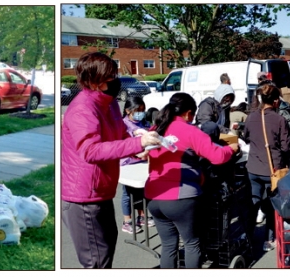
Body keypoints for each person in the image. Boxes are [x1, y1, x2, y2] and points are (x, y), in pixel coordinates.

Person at [61, 52, 162, 268]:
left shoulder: (110, 104)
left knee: (106, 252)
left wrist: (137, 149)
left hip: (102, 192)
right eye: (109, 77)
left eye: (114, 74)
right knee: (97, 261)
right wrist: (138, 144)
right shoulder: (82, 108)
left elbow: (120, 135)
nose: (115, 80)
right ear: (94, 81)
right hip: (84, 197)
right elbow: (90, 151)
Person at [145, 93, 240, 268]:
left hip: (154, 196)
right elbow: (217, 156)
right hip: (181, 196)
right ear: (189, 113)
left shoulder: (155, 129)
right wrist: (232, 149)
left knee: (168, 246)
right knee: (192, 244)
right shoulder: (190, 131)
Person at [242, 83, 290, 251]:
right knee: (271, 207)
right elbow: (286, 147)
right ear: (276, 100)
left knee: (253, 203)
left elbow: (246, 137)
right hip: (273, 170)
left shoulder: (250, 117)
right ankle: (269, 240)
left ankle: (247, 237)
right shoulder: (280, 120)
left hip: (253, 167)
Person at [120, 96, 152, 234]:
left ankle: (142, 216)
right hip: (127, 163)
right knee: (127, 193)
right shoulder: (122, 125)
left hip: (142, 162)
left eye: (143, 110)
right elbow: (123, 144)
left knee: (141, 191)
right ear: (128, 111)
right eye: (138, 110)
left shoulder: (144, 123)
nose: (141, 113)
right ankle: (127, 221)